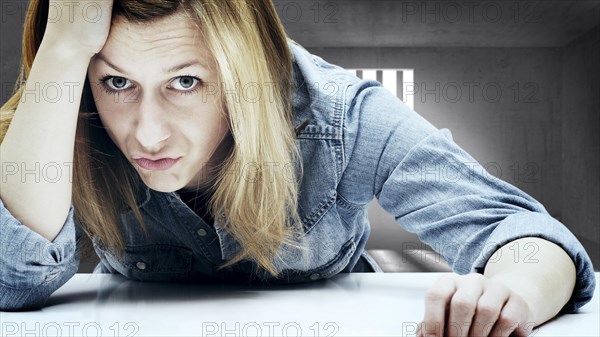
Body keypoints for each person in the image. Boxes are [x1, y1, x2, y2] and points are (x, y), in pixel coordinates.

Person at [0, 0, 594, 336]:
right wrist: (61, 51)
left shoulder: (343, 118)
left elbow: (521, 233)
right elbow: (13, 283)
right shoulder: (67, 112)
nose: (147, 133)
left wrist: (511, 294)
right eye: (118, 82)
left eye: (186, 81)